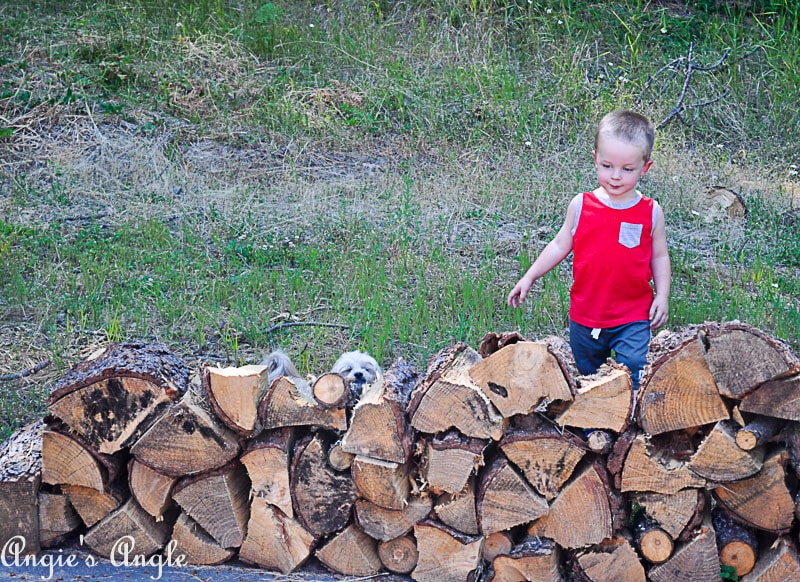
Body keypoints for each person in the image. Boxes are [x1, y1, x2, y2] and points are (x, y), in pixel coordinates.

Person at [507, 109, 671, 393]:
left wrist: (663, 295)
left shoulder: (650, 212)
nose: (616, 176)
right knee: (589, 378)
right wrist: (529, 277)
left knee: (635, 366)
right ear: (595, 159)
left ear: (645, 167)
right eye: (607, 166)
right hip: (586, 313)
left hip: (632, 314)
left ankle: (632, 418)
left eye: (627, 169)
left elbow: (659, 257)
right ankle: (593, 429)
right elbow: (559, 244)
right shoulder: (582, 205)